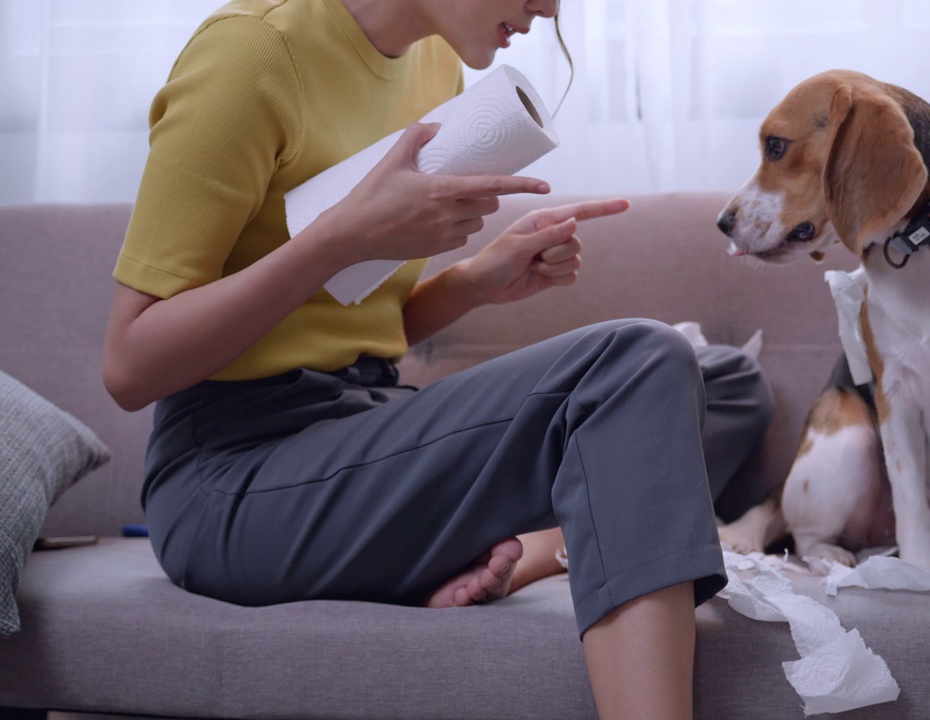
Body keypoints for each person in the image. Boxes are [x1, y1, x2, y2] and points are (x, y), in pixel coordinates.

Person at [101, 1, 773, 718]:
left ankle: (525, 551)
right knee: (634, 361)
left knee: (721, 379)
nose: (548, 9)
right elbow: (131, 366)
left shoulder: (436, 66)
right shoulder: (250, 56)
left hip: (358, 418)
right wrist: (336, 239)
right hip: (232, 472)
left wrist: (469, 285)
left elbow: (336, 320)